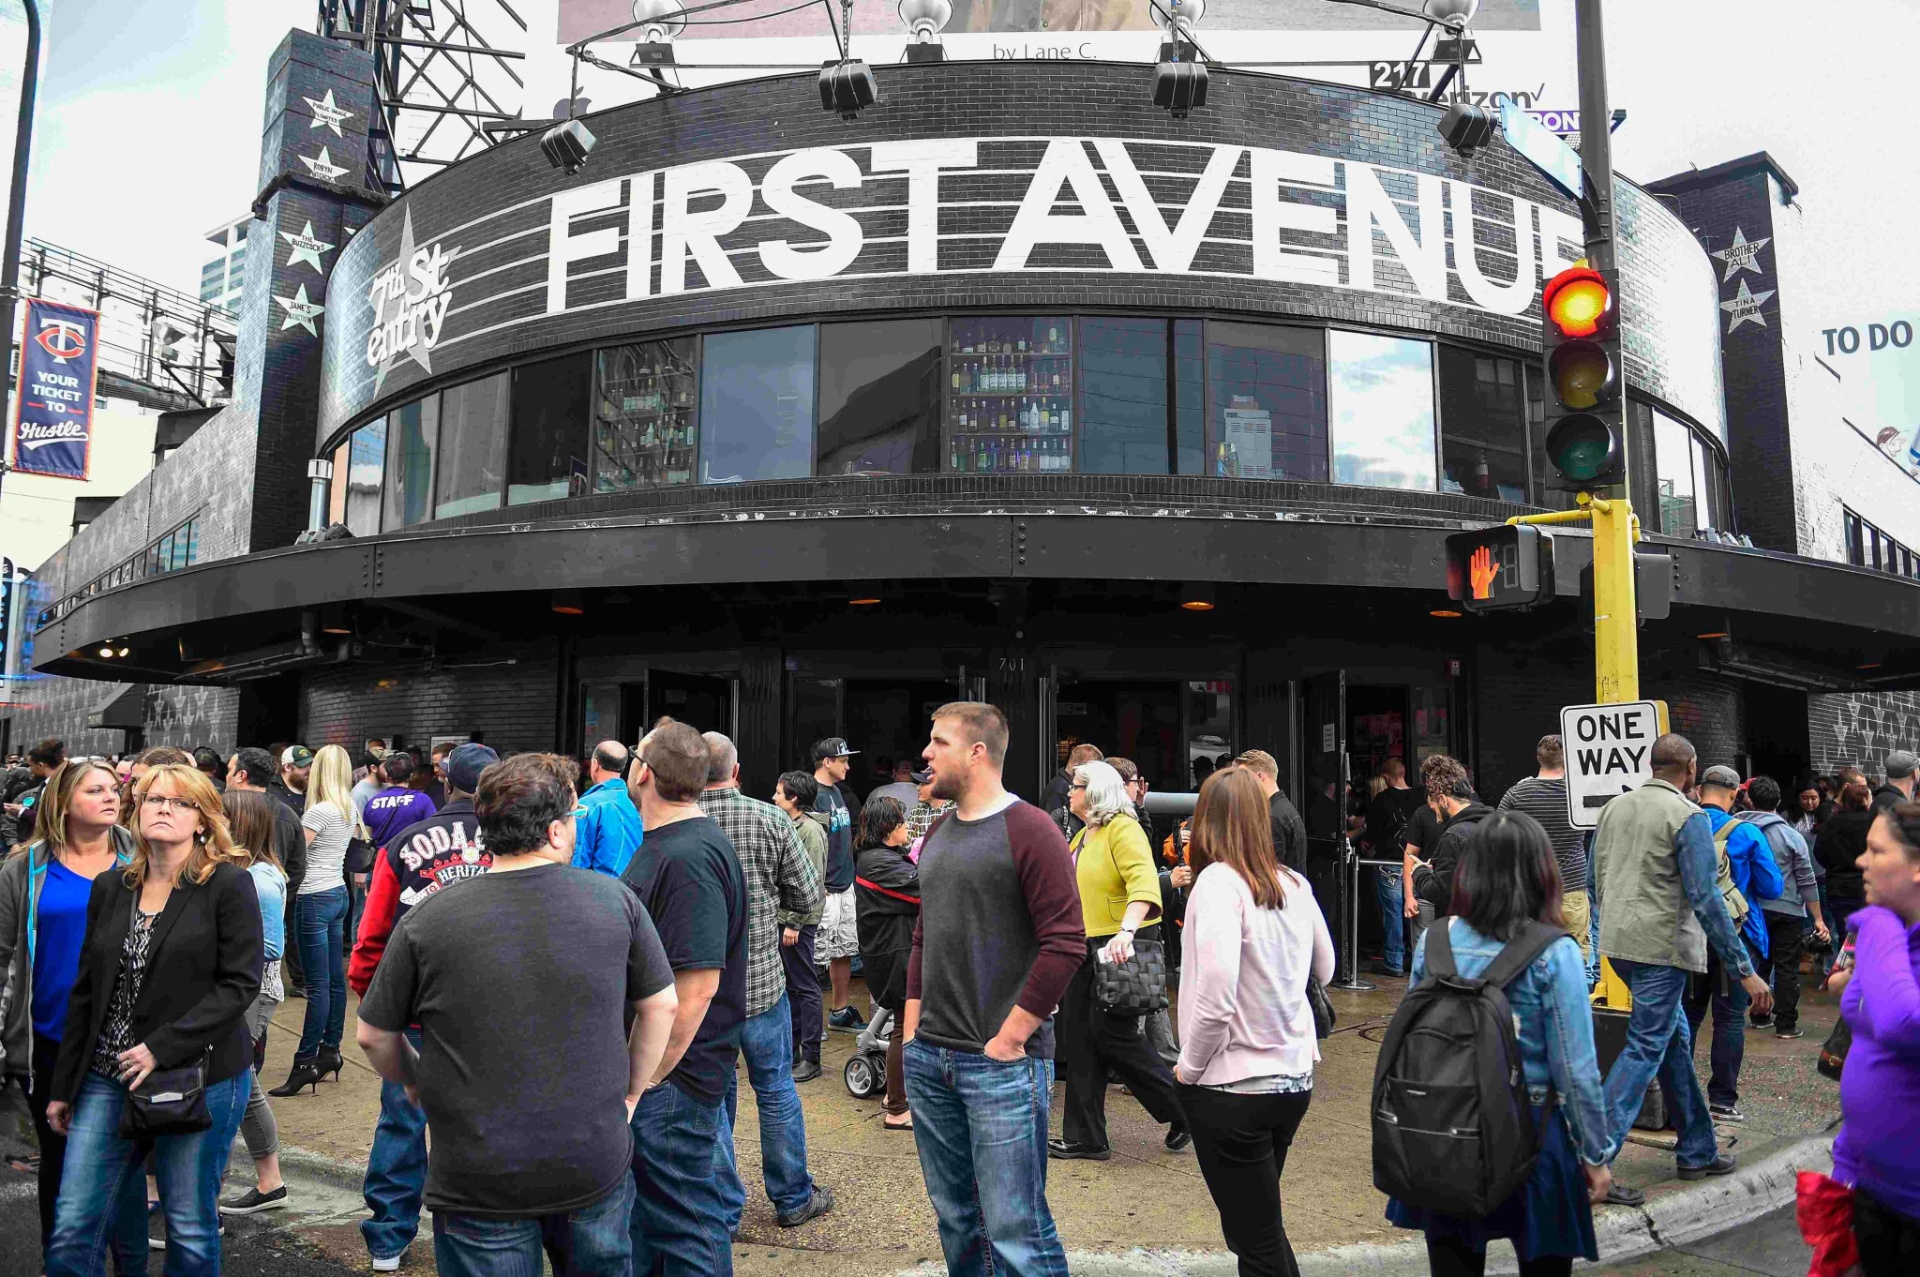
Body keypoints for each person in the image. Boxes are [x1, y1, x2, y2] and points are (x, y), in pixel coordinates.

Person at [358, 751, 679, 1277]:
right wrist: (632, 1092)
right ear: (555, 832)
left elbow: (373, 1035)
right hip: (591, 1161)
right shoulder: (615, 902)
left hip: (476, 1173)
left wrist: (415, 1082)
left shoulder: (431, 917)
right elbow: (661, 1005)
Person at [44, 763, 262, 1277]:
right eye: (153, 799)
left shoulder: (228, 885)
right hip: (106, 1076)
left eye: (179, 802)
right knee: (74, 1221)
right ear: (137, 810)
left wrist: (161, 1046)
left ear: (203, 820)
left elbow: (239, 984)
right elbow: (87, 993)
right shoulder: (110, 887)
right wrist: (65, 1085)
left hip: (195, 1076)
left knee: (187, 1225)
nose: (163, 808)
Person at [1384, 811, 1613, 1277]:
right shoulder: (1555, 951)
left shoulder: (1434, 941)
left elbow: (1410, 1034)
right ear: (1542, 872)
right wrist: (1594, 1153)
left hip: (1449, 1125)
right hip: (1532, 1129)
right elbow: (1575, 1068)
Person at [903, 702, 1084, 1277]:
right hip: (931, 1059)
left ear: (977, 752)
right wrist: (910, 1037)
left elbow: (1066, 944)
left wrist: (1010, 1039)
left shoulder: (1031, 829)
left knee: (1016, 1230)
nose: (926, 754)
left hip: (1000, 1066)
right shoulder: (937, 833)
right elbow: (924, 937)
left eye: (939, 743)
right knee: (957, 1219)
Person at [1591, 734, 1771, 1205]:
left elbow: (1593, 881)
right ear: (1689, 768)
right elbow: (1707, 898)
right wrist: (1743, 968)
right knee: (1645, 1048)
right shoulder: (1687, 817)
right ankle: (1590, 1163)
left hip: (1619, 945)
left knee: (1672, 1041)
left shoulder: (1613, 809)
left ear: (1653, 764)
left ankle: (1697, 1147)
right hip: (1660, 949)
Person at [1173, 766, 1334, 1276]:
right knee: (1261, 1228)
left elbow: (1215, 998)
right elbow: (1325, 967)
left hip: (1232, 1084)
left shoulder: (1217, 883)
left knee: (1255, 1239)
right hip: (1292, 1077)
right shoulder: (1293, 882)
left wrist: (1189, 1068)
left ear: (1208, 820)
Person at [349, 741, 498, 1272]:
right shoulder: (513, 839)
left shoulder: (406, 841)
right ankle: (480, 1229)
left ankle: (388, 1237)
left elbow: (372, 933)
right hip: (488, 1010)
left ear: (446, 780)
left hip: (412, 1007)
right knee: (482, 1122)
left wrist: (372, 995)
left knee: (402, 1119)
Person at [0, 761, 143, 1269]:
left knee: (124, 1163)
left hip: (128, 1038)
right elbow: (3, 957)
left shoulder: (141, 857)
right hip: (49, 1038)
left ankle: (127, 1263)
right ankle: (60, 1261)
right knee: (60, 1161)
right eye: (95, 790)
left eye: (114, 789)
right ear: (63, 803)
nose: (111, 797)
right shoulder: (24, 868)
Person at [623, 721, 751, 1273]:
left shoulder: (689, 857)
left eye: (635, 754)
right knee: (654, 1223)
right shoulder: (671, 845)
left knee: (685, 1225)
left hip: (673, 1083)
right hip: (665, 1080)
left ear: (644, 772)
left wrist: (643, 1081)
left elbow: (695, 989)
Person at [698, 732, 832, 1234]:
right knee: (775, 1089)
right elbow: (808, 890)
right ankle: (793, 1198)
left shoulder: (676, 822)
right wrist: (776, 915)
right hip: (760, 984)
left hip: (701, 994)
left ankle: (722, 1211)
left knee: (712, 1098)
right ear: (736, 772)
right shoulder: (771, 817)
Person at [1050, 759, 1187, 1161]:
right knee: (1079, 1037)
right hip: (1085, 945)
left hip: (1118, 943)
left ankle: (1183, 1110)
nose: (1069, 792)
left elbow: (1144, 885)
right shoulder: (1084, 835)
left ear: (1094, 793)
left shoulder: (1122, 829)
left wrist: (1125, 932)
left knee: (1114, 1035)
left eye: (1076, 786)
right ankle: (1085, 1137)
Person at [1829, 800, 1920, 1275]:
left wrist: (1879, 926)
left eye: (1876, 851)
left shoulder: (1881, 929)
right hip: (1872, 1189)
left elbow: (1903, 1024)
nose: (1861, 862)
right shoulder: (1886, 936)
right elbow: (1866, 1043)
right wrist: (1846, 1165)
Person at [1682, 764, 1785, 1120]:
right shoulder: (1747, 833)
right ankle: (1722, 1101)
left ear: (1698, 790)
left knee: (1690, 1016)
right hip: (1739, 936)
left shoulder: (1681, 824)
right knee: (1728, 1020)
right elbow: (1773, 887)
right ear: (1733, 794)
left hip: (1692, 934)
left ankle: (1680, 1098)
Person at [216, 791, 292, 1218]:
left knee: (236, 1083)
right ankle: (270, 1182)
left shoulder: (259, 879)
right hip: (242, 991)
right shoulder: (244, 870)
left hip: (251, 993)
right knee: (241, 1084)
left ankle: (256, 1183)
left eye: (222, 816)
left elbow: (270, 946)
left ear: (240, 824)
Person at [272, 743, 361, 1096]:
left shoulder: (318, 813)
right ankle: (330, 1051)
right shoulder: (348, 809)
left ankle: (305, 1060)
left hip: (313, 898)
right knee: (334, 982)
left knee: (317, 986)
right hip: (337, 895)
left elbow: (294, 856)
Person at [1732, 776, 1828, 1040]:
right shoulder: (1791, 835)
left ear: (1748, 799)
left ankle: (1759, 1014)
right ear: (1778, 802)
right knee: (1786, 967)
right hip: (1788, 909)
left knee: (1758, 963)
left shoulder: (1733, 830)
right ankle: (1786, 1024)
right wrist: (1817, 918)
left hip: (1749, 910)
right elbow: (1806, 879)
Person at [853, 796, 920, 1132]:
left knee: (903, 1025)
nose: (907, 828)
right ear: (887, 828)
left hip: (893, 951)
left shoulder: (881, 857)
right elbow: (924, 888)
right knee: (903, 1028)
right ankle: (897, 1107)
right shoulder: (878, 862)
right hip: (894, 954)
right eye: (902, 823)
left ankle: (896, 1094)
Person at [1496, 736, 1590, 959]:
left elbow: (1496, 835)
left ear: (1538, 758)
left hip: (1530, 887)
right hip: (1573, 885)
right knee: (1575, 954)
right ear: (1566, 760)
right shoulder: (1579, 793)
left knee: (1530, 955)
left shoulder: (1517, 793)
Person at [230, 747, 308, 998]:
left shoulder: (228, 811)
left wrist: (275, 898)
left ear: (241, 775)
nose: (227, 777)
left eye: (230, 771)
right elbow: (295, 869)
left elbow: (291, 870)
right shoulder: (286, 812)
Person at [774, 770, 828, 1082]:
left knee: (805, 986)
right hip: (787, 919)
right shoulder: (791, 825)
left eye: (779, 793)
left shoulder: (810, 831)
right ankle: (793, 1052)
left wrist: (794, 922)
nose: (774, 798)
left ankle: (811, 1057)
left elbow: (811, 881)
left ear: (794, 799)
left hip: (799, 922)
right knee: (792, 986)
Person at [811, 736, 865, 1034]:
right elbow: (811, 845)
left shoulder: (837, 792)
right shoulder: (814, 794)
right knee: (815, 957)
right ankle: (811, 1022)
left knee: (843, 949)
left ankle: (840, 1011)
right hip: (826, 889)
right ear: (827, 762)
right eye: (843, 760)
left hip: (845, 885)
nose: (848, 765)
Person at [1362, 757, 1423, 975]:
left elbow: (1372, 834)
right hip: (1416, 864)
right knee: (1414, 910)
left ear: (1386, 777)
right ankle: (1415, 958)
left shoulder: (1382, 799)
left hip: (1388, 862)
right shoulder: (1421, 796)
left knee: (1393, 912)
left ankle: (1394, 960)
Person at [1411, 756, 1490, 922]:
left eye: (1434, 810)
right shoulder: (1495, 823)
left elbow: (1442, 892)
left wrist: (1420, 872)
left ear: (1442, 800)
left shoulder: (1453, 837)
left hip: (1460, 928)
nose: (1437, 819)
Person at [1817, 782, 1876, 974]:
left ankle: (1848, 976)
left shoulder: (1831, 824)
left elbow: (1819, 853)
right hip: (1866, 887)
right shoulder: (1874, 823)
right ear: (1867, 799)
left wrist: (1834, 867)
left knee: (1846, 936)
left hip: (1838, 887)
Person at [1231, 750, 1309, 874]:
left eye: (1242, 778)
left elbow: (1267, 874)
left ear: (1260, 777)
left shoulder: (1272, 817)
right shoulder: (1284, 809)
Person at [575, 740, 644, 877]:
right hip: (630, 891)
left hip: (598, 892)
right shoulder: (634, 804)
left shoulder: (588, 806)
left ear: (595, 765)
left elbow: (577, 860)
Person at [361, 751, 437, 852]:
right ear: (411, 775)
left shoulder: (372, 803)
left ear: (387, 775)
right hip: (413, 859)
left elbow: (366, 837)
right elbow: (434, 831)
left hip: (383, 861)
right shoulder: (422, 800)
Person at [1, 738, 65, 847]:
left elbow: (56, 821)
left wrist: (23, 812)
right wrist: (14, 844)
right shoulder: (40, 788)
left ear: (40, 765)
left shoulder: (66, 788)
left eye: (31, 766)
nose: (30, 770)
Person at [1041, 742, 1104, 824]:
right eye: (1092, 770)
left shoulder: (1062, 786)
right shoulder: (1060, 791)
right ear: (1076, 767)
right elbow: (1055, 827)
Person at [904, 764, 952, 842]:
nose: (917, 788)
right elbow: (906, 841)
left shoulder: (956, 810)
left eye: (923, 784)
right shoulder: (917, 811)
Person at [271, 745, 312, 817]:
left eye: (310, 765)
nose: (309, 770)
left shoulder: (312, 790)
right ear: (288, 767)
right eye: (303, 766)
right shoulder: (271, 791)